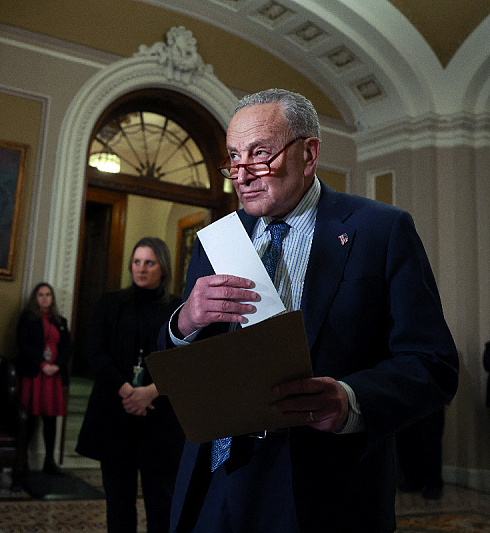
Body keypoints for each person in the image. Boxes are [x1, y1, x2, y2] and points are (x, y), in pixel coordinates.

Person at [159, 89, 459, 532]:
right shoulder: (215, 240)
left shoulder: (380, 230)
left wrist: (350, 400)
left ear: (309, 153)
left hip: (325, 488)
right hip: (217, 478)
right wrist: (184, 321)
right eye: (234, 157)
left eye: (260, 154)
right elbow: (185, 360)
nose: (241, 174)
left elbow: (434, 366)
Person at [77, 237, 185, 533]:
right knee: (118, 504)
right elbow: (96, 354)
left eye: (149, 262)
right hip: (116, 414)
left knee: (161, 506)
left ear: (162, 267)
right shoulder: (110, 303)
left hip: (159, 418)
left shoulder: (179, 308)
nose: (141, 269)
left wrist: (149, 391)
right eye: (136, 262)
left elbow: (183, 360)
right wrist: (127, 391)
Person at [16, 282, 73, 475]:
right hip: (35, 373)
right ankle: (22, 461)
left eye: (48, 294)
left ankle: (49, 461)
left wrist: (56, 365)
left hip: (54, 376)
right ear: (35, 298)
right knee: (31, 418)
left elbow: (67, 347)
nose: (45, 298)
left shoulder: (60, 321)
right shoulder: (28, 318)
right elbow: (24, 345)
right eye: (41, 294)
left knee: (51, 420)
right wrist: (42, 364)